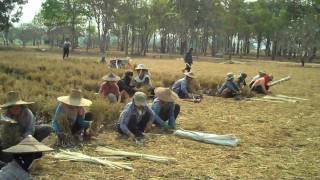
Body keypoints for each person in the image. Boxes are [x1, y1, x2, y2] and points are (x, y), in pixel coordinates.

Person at [0, 91, 52, 163]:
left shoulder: (28, 113)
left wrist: (23, 138)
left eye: (17, 106)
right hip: (11, 140)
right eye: (12, 107)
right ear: (9, 108)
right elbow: (4, 132)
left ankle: (32, 148)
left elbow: (30, 130)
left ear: (21, 106)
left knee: (46, 128)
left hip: (26, 137)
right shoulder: (5, 115)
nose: (15, 108)